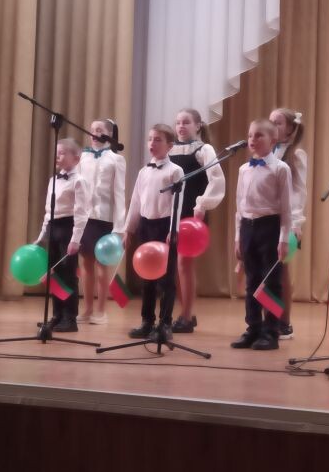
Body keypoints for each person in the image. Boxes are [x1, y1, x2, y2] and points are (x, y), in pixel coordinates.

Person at [231, 119, 292, 351]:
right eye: (250, 135)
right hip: (248, 227)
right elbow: (239, 206)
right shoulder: (244, 169)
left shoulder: (280, 169)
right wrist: (238, 237)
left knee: (271, 282)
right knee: (252, 281)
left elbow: (286, 208)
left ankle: (271, 331)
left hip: (270, 227)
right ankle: (253, 328)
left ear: (273, 140)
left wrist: (284, 239)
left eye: (259, 135)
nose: (252, 140)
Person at [124, 124, 184, 340]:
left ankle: (165, 323)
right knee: (147, 276)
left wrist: (173, 229)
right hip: (146, 226)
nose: (152, 143)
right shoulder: (144, 171)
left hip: (165, 226)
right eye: (150, 139)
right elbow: (136, 202)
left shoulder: (175, 171)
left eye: (158, 140)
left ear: (170, 145)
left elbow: (178, 202)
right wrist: (128, 230)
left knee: (166, 279)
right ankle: (146, 321)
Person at [168, 108, 225, 334]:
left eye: (186, 122)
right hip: (172, 212)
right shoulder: (170, 149)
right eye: (178, 122)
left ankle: (186, 315)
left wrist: (202, 205)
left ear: (198, 125)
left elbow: (216, 179)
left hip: (192, 212)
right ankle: (183, 314)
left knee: (184, 263)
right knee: (174, 265)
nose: (181, 126)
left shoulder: (204, 149)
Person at [35, 138, 90, 333]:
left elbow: (82, 213)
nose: (57, 156)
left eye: (62, 153)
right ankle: (57, 315)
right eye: (57, 153)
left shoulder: (79, 181)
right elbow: (48, 211)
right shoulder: (53, 180)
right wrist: (42, 236)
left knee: (68, 275)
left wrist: (75, 240)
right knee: (54, 274)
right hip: (53, 228)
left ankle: (69, 317)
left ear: (76, 158)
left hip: (68, 228)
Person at [77, 119, 126, 325]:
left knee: (101, 264)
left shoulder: (116, 160)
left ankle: (101, 310)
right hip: (85, 217)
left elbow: (119, 193)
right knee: (86, 264)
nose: (94, 133)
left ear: (109, 134)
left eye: (99, 130)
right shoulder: (83, 157)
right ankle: (87, 308)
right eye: (92, 130)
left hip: (104, 218)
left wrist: (120, 226)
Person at [270, 108, 307, 339]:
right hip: (267, 217)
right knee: (266, 272)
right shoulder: (266, 153)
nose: (273, 126)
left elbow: (299, 191)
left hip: (286, 220)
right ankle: (270, 319)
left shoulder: (296, 154)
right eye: (270, 122)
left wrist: (296, 221)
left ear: (291, 128)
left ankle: (284, 322)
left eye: (278, 123)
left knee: (281, 269)